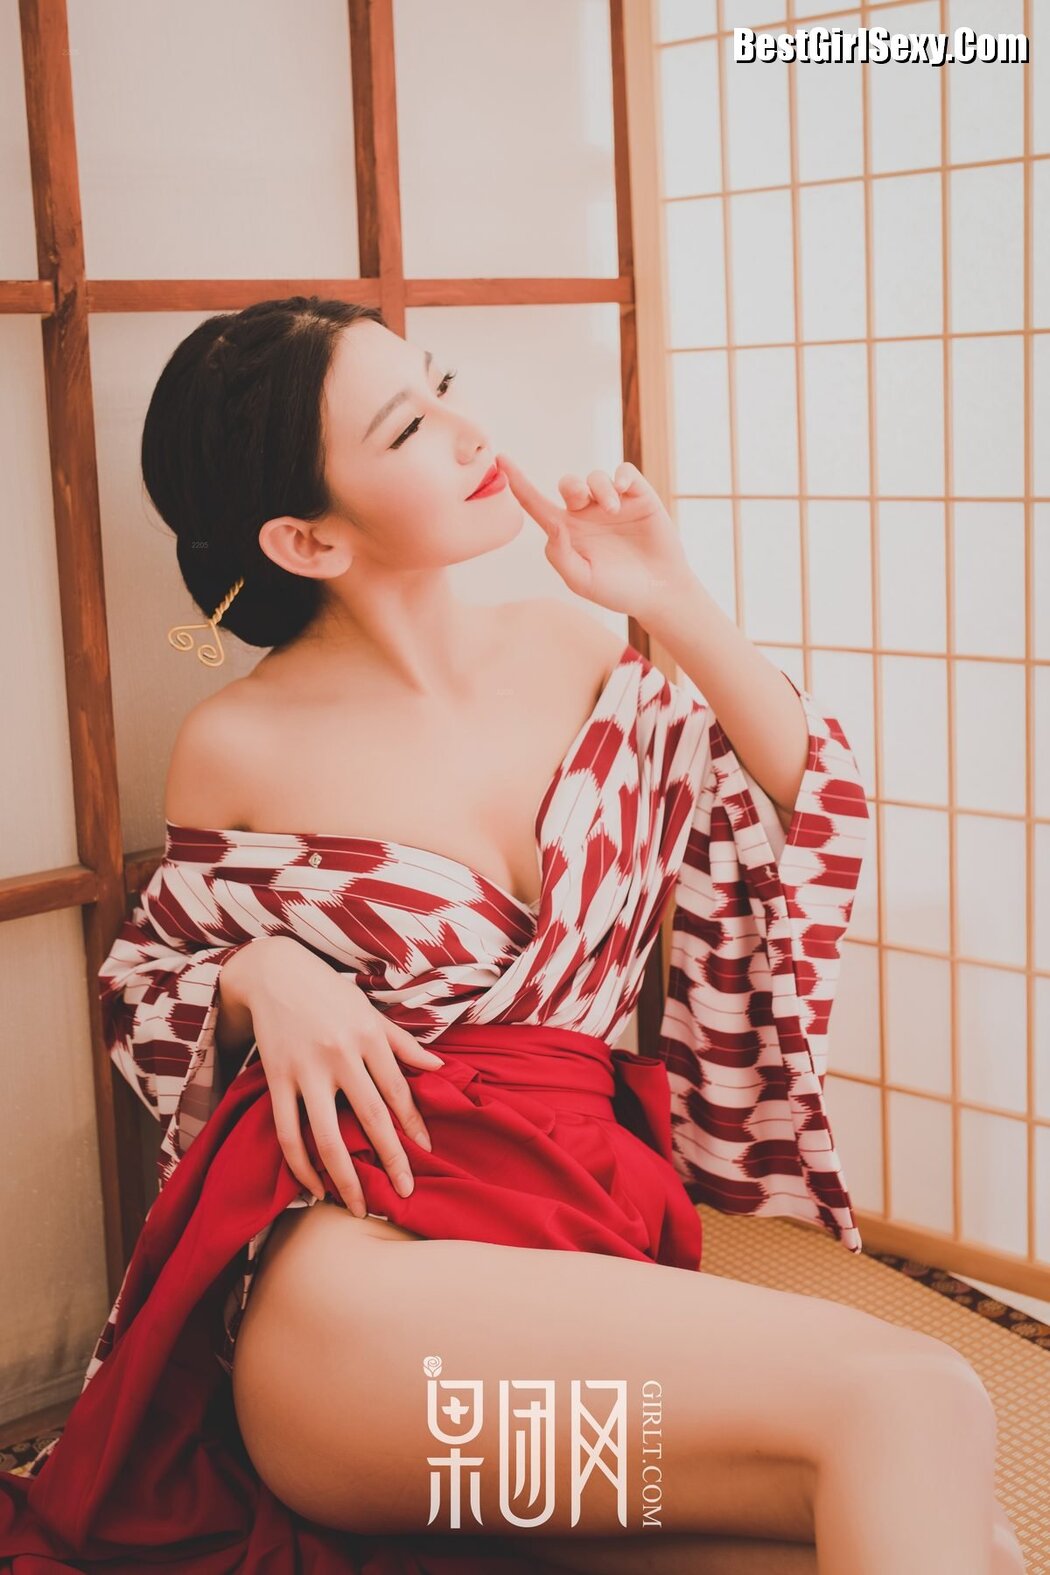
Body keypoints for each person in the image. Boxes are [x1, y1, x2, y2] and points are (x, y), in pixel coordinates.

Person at [0, 298, 1024, 1574]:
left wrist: (668, 594)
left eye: (442, 385)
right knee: (916, 1399)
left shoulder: (567, 646)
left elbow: (797, 807)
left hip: (574, 1249)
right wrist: (261, 975)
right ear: (307, 538)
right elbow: (153, 979)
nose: (469, 431)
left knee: (949, 1531)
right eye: (407, 426)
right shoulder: (238, 743)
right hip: (355, 1308)